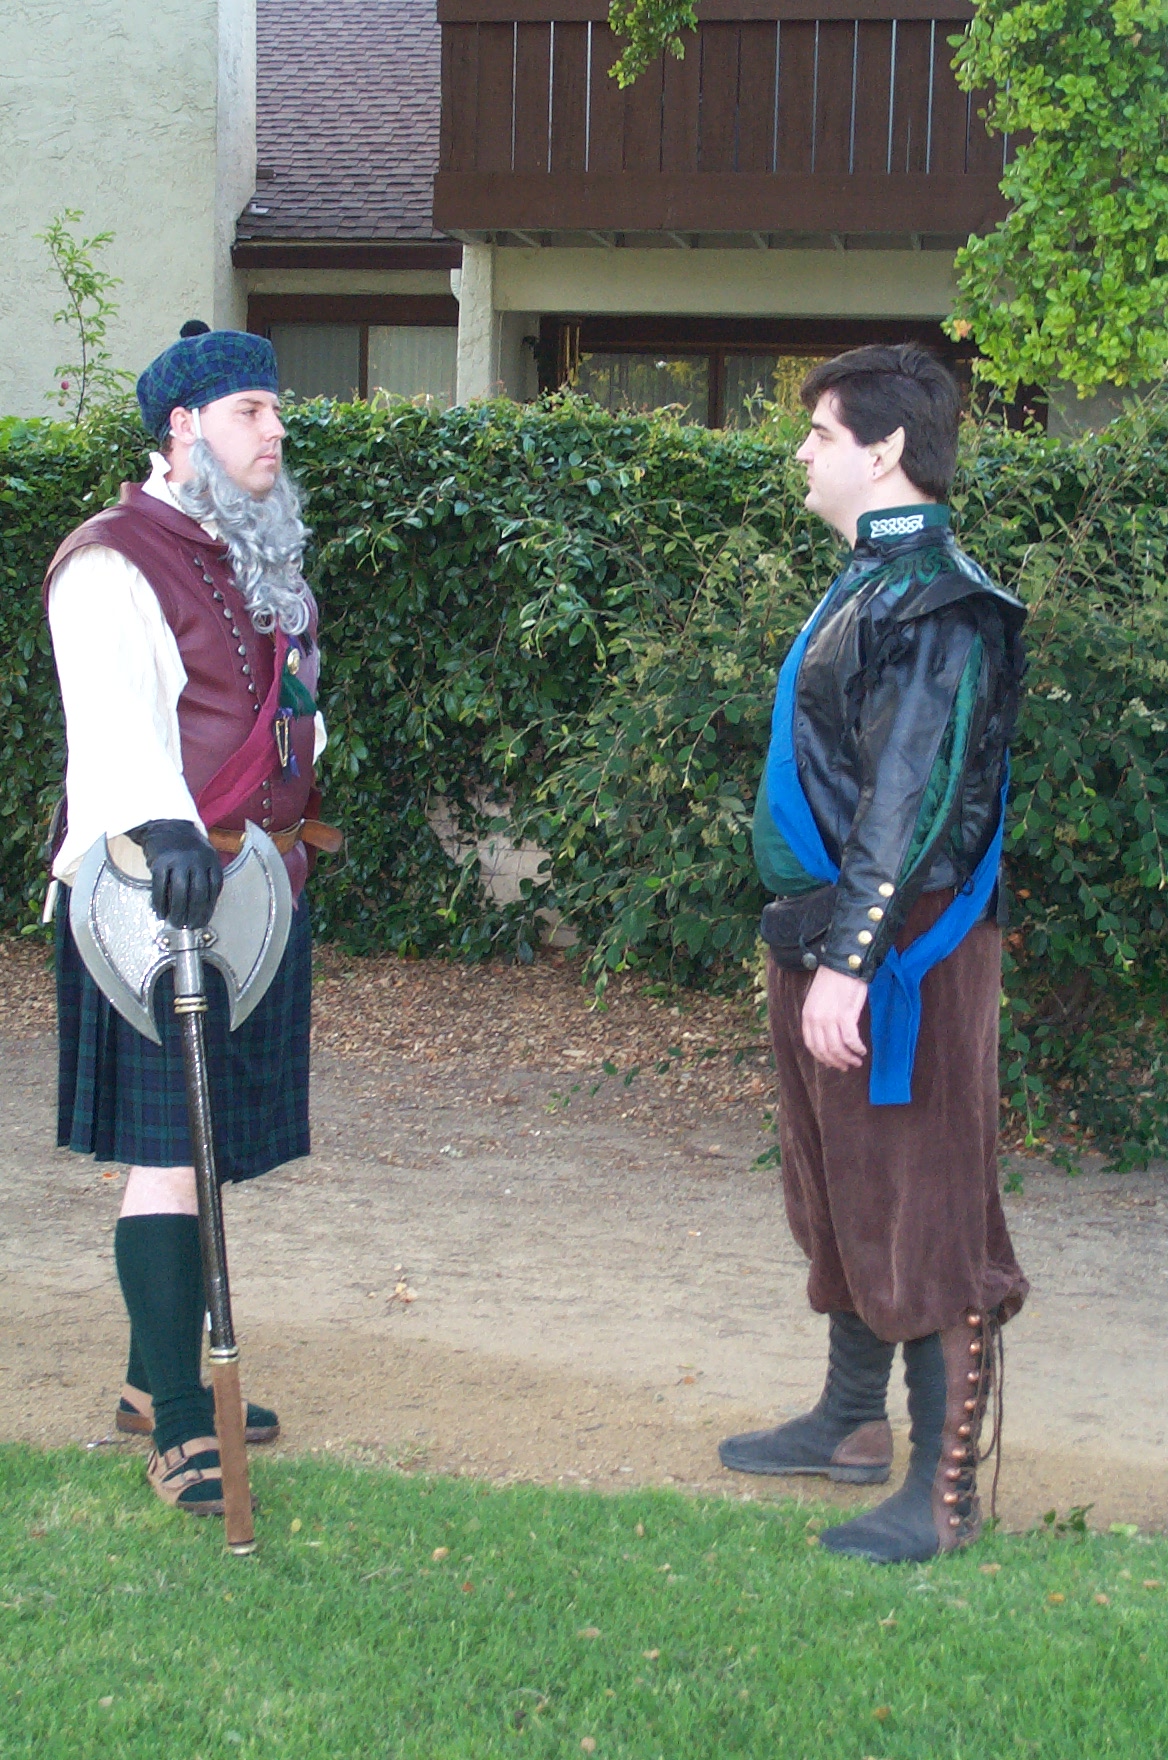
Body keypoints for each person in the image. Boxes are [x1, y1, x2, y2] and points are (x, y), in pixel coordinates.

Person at [718, 344, 1028, 1563]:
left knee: (925, 1208)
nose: (801, 451)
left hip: (903, 956)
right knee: (841, 1188)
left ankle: (940, 1498)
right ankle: (848, 1421)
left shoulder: (938, 601)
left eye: (821, 432)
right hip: (836, 935)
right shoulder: (871, 583)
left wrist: (851, 961)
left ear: (885, 450)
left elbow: (908, 795)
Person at [44, 322, 337, 1516]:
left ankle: (144, 1372)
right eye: (251, 411)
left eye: (275, 409)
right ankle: (177, 1418)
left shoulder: (261, 557)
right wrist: (167, 829)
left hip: (251, 895)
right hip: (150, 899)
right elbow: (118, 725)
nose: (276, 430)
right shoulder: (112, 559)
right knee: (170, 1154)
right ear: (183, 428)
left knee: (204, 1147)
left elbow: (295, 712)